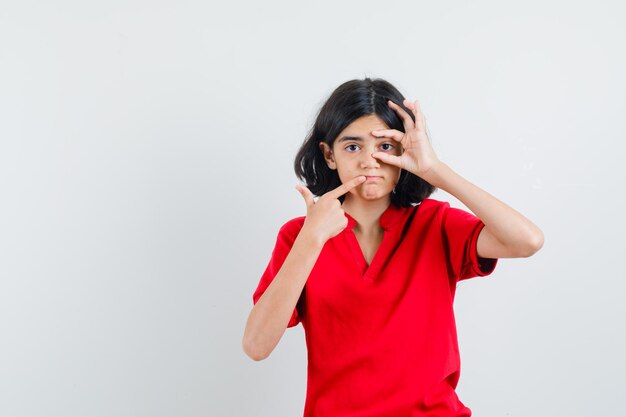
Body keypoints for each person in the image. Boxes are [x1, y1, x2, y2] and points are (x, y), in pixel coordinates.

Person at [242, 77, 544, 417]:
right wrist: (312, 239)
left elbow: (527, 240)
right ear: (329, 155)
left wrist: (435, 170)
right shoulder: (299, 236)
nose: (370, 161)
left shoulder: (436, 224)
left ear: (404, 150)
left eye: (384, 146)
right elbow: (256, 345)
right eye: (352, 147)